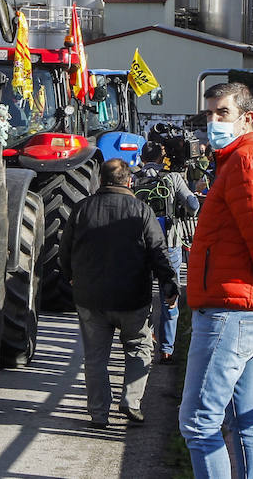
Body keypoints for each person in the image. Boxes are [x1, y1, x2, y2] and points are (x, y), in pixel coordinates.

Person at [180, 82, 253, 479]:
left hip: (231, 308)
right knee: (242, 416)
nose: (212, 122)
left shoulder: (247, 163)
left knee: (198, 421)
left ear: (248, 118)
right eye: (209, 114)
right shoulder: (250, 161)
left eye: (222, 114)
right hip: (243, 305)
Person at [59, 158, 178, 428]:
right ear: (129, 182)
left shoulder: (81, 209)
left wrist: (71, 279)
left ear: (100, 180)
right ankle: (131, 401)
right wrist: (169, 285)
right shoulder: (142, 210)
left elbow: (64, 252)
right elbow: (158, 252)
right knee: (139, 348)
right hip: (132, 298)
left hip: (90, 298)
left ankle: (99, 413)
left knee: (95, 357)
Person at [134, 141, 201, 364]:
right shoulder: (172, 178)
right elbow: (193, 206)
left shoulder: (133, 178)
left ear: (142, 158)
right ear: (162, 160)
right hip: (169, 242)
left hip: (140, 244)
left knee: (142, 295)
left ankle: (144, 338)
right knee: (169, 295)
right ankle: (166, 349)